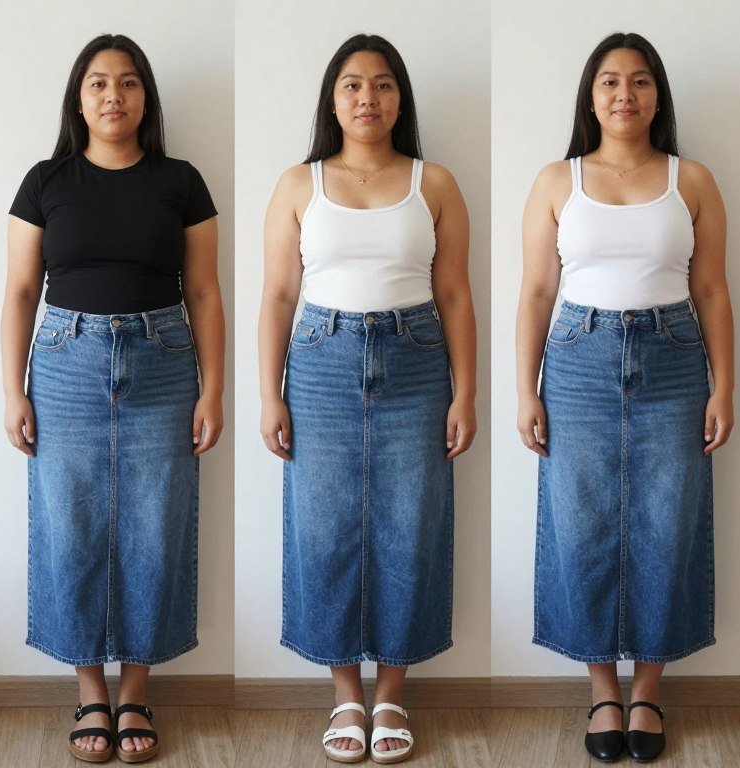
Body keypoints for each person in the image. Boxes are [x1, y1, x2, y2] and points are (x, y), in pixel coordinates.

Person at [2, 33, 224, 764]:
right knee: (70, 526)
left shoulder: (181, 182)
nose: (112, 96)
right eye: (98, 84)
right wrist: (12, 391)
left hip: (163, 363)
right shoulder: (45, 182)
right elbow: (19, 293)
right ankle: (88, 691)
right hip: (64, 365)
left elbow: (204, 292)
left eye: (127, 84)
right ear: (78, 98)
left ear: (145, 99)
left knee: (154, 528)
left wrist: (213, 389)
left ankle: (134, 692)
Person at [515, 32, 734, 763]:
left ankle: (648, 691)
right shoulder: (557, 180)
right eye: (609, 82)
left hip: (675, 360)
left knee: (667, 522)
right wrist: (525, 389)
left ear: (657, 96)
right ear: (590, 96)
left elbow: (711, 290)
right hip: (576, 360)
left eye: (639, 82)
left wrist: (725, 384)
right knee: (582, 524)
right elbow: (538, 291)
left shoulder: (692, 179)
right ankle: (601, 689)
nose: (624, 94)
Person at [258, 33, 476, 764]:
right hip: (318, 363)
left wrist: (465, 393)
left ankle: (391, 695)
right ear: (332, 98)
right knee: (324, 527)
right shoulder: (299, 183)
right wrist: (270, 395)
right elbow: (279, 296)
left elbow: (454, 294)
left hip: (416, 361)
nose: (367, 99)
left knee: (409, 526)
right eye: (352, 85)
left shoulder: (434, 182)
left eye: (382, 86)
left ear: (400, 99)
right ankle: (344, 693)